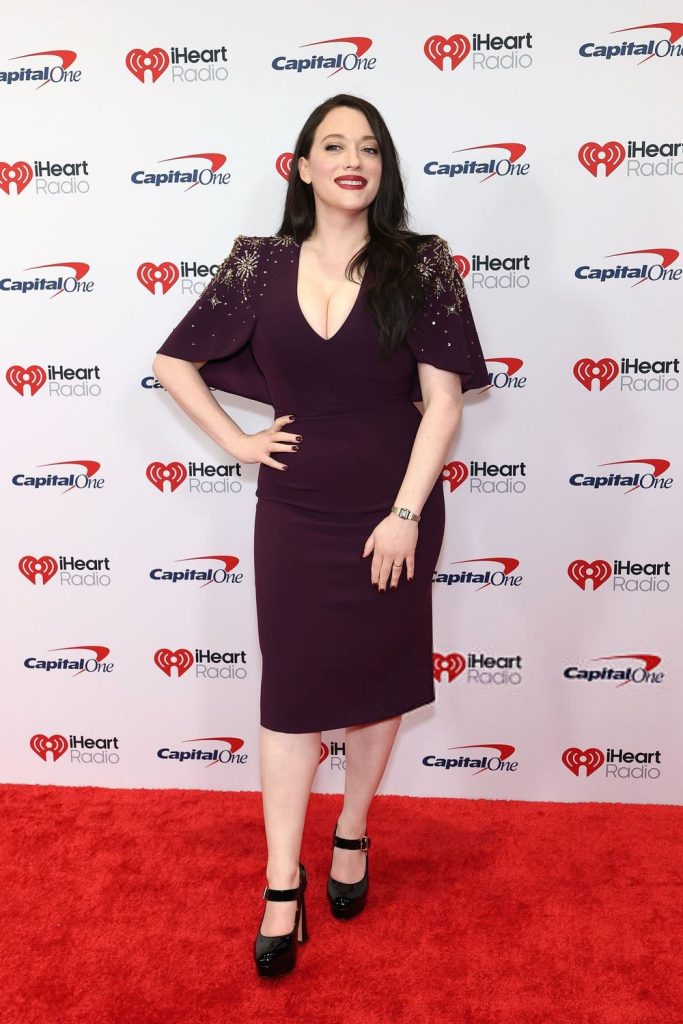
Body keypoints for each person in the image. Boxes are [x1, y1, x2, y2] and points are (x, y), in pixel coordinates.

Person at [152, 93, 489, 978]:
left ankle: (351, 830)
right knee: (292, 696)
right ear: (301, 166)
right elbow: (171, 360)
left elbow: (443, 403)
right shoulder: (255, 265)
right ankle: (278, 879)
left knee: (378, 688)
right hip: (295, 509)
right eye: (332, 145)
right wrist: (235, 441)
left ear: (383, 169)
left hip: (395, 506)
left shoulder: (422, 265)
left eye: (368, 147)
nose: (352, 159)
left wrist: (406, 514)